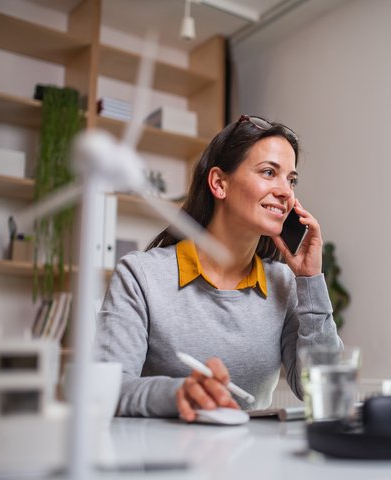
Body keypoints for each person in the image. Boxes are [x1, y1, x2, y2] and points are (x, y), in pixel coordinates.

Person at [95, 115, 342, 420]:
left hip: (252, 462)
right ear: (219, 183)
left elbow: (321, 389)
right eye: (269, 173)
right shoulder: (140, 276)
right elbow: (107, 390)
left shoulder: (284, 283)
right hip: (163, 460)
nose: (286, 192)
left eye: (291, 180)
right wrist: (178, 394)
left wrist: (310, 280)